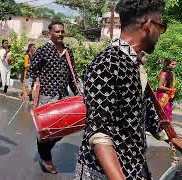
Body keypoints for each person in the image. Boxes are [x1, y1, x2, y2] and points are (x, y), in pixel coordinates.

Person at [75, 0, 182, 179]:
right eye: (161, 27)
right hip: (104, 173)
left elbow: (147, 115)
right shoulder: (108, 63)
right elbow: (99, 134)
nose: (160, 34)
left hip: (134, 167)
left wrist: (172, 137)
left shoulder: (134, 64)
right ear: (148, 25)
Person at [23, 21, 79, 174]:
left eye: (62, 31)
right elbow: (32, 72)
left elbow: (73, 77)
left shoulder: (68, 52)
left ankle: (43, 151)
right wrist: (27, 89)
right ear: (50, 34)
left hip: (63, 98)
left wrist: (79, 94)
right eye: (57, 32)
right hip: (47, 99)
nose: (60, 34)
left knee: (61, 132)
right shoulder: (43, 51)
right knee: (47, 133)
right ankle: (46, 158)